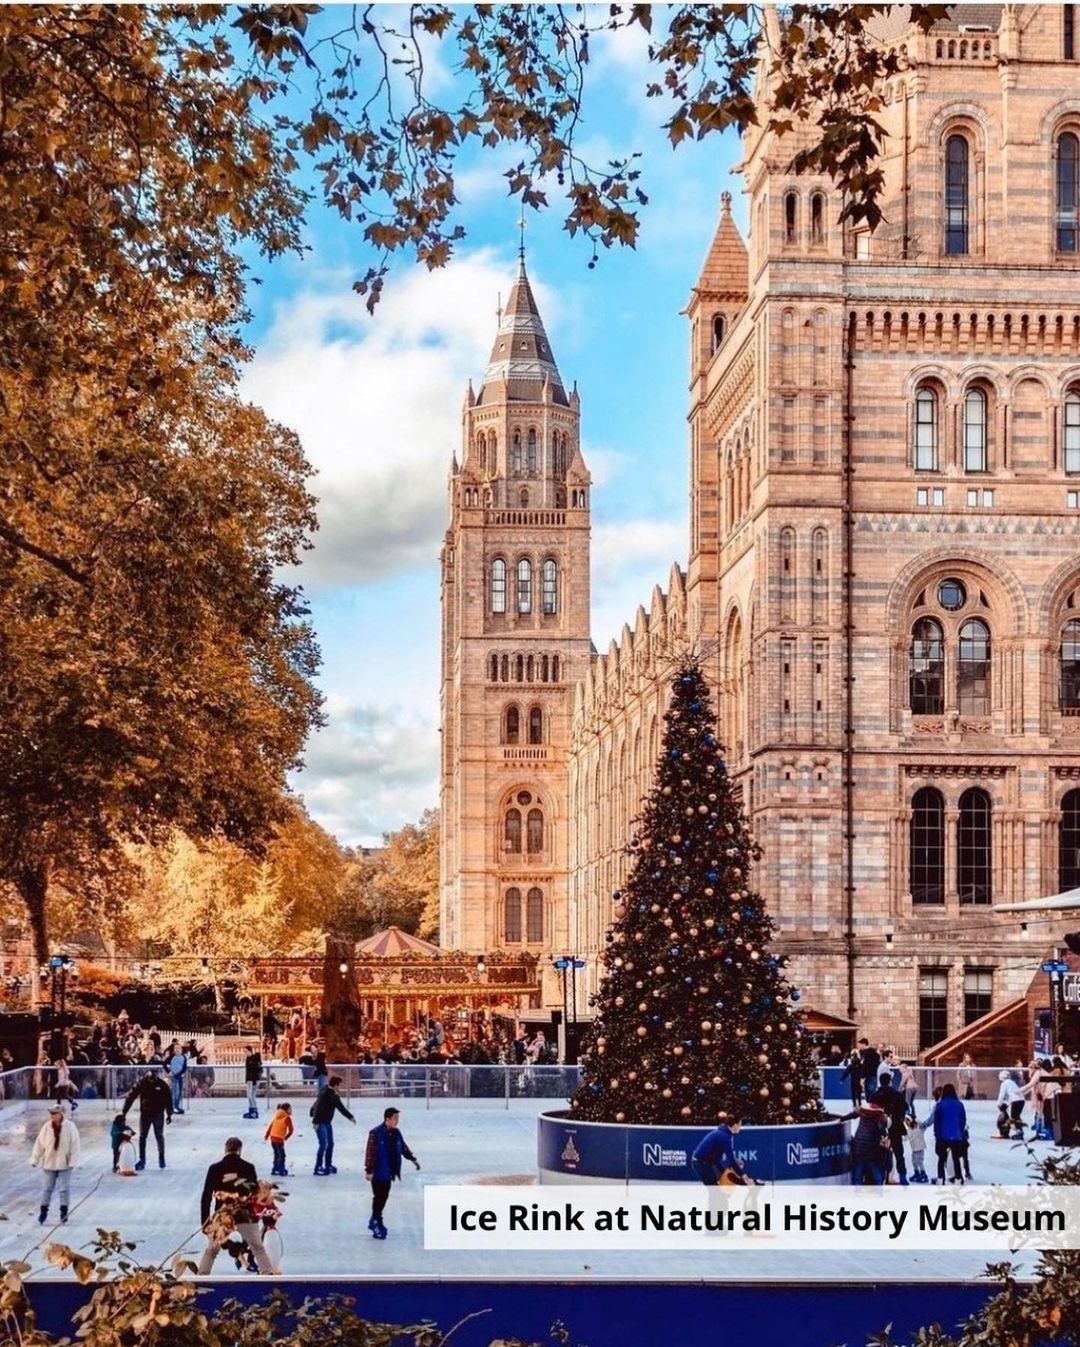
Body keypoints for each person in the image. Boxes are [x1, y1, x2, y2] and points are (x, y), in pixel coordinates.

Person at [196, 1137, 277, 1275]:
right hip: (245, 1215)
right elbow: (255, 1194)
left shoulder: (215, 1168)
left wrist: (205, 1222)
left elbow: (206, 1196)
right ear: (239, 1150)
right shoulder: (249, 1167)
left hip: (223, 1216)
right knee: (258, 1248)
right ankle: (267, 1275)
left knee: (211, 1251)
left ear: (225, 1149)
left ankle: (202, 1277)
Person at [364, 1106, 420, 1239]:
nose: (397, 1121)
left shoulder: (396, 1133)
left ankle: (375, 1220)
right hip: (378, 1172)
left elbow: (403, 1147)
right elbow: (370, 1152)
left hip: (389, 1172)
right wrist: (369, 1170)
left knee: (384, 1197)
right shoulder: (375, 1133)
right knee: (379, 1198)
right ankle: (377, 1222)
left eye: (398, 1118)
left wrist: (412, 1159)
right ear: (387, 1119)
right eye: (395, 1118)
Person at [31, 1103, 81, 1225]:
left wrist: (73, 1161)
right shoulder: (47, 1127)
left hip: (65, 1164)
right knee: (47, 1189)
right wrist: (35, 1159)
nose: (52, 1116)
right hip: (49, 1163)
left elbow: (75, 1145)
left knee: (64, 1189)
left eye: (54, 1113)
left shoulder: (70, 1127)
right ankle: (43, 1212)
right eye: (51, 1113)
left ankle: (63, 1212)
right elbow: (40, 1144)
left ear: (61, 1114)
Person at [122, 1069, 173, 1170]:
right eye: (150, 1077)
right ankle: (142, 1159)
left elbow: (168, 1099)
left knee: (159, 1135)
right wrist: (124, 1111)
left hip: (158, 1114)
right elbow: (131, 1096)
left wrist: (169, 1114)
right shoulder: (142, 1083)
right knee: (142, 1137)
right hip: (145, 1113)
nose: (152, 1079)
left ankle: (161, 1157)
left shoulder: (162, 1085)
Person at [310, 1073, 355, 1175]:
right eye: (340, 1086)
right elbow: (318, 1105)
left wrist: (350, 1117)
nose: (340, 1088)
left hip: (327, 1122)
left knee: (330, 1144)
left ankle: (328, 1164)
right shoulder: (325, 1094)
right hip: (320, 1122)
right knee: (323, 1144)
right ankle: (318, 1167)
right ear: (335, 1085)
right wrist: (315, 1120)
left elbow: (340, 1107)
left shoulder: (332, 1094)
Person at [922, 1082, 967, 1184]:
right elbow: (963, 1120)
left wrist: (937, 1134)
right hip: (956, 1135)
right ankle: (958, 1178)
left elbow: (937, 1121)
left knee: (941, 1159)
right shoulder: (959, 1105)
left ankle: (940, 1178)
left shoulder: (940, 1105)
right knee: (956, 1158)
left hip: (942, 1136)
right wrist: (959, 1132)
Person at [873, 1067, 910, 1185]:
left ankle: (881, 1176)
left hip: (880, 1129)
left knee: (880, 1153)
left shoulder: (875, 1095)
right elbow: (905, 1107)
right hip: (895, 1128)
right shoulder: (896, 1094)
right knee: (899, 1153)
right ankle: (903, 1177)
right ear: (890, 1081)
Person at [844, 1099, 890, 1186]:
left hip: (858, 1147)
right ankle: (879, 1189)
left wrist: (842, 1118)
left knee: (858, 1171)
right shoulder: (879, 1118)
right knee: (875, 1170)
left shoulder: (863, 1113)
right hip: (871, 1149)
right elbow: (882, 1132)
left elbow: (853, 1114)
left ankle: (856, 1191)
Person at [691, 1119, 749, 1185]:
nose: (740, 1127)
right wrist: (742, 1174)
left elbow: (714, 1156)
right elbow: (731, 1159)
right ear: (735, 1125)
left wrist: (722, 1171)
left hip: (702, 1163)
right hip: (701, 1163)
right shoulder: (725, 1137)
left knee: (714, 1188)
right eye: (740, 1125)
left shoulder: (723, 1133)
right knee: (713, 1188)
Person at [265, 1102, 293, 1177]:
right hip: (279, 1139)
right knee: (282, 1155)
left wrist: (267, 1135)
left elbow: (271, 1126)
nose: (291, 1111)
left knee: (276, 1154)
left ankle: (275, 1168)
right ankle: (281, 1169)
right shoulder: (287, 1118)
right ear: (287, 1110)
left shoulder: (276, 1116)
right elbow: (291, 1130)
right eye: (290, 1109)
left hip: (272, 1138)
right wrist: (286, 1137)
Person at [997, 1068, 1025, 1138]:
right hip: (1021, 1100)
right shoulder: (1012, 1082)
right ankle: (1020, 1130)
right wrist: (1007, 1104)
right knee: (1017, 1116)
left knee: (1013, 1118)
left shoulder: (1004, 1084)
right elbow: (1011, 1095)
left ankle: (1018, 1132)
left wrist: (999, 1104)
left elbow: (1002, 1095)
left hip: (1015, 1101)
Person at [905, 1115, 928, 1183]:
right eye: (906, 1122)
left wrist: (917, 1120)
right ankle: (917, 1173)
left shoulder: (919, 1128)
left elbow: (924, 1126)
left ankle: (923, 1174)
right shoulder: (909, 1130)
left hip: (920, 1148)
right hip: (914, 1149)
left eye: (908, 1121)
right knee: (914, 1161)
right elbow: (906, 1137)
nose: (907, 1123)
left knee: (919, 1161)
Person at [167, 1042, 188, 1116]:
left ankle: (176, 1106)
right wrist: (169, 1071)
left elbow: (184, 1067)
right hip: (174, 1077)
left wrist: (179, 1073)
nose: (177, 1050)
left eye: (179, 1048)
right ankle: (173, 1107)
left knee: (179, 1092)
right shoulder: (172, 1057)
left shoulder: (183, 1057)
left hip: (179, 1076)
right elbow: (164, 1063)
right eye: (176, 1048)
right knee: (175, 1092)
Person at [243, 1047, 263, 1120]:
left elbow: (255, 1071)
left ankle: (254, 1111)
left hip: (253, 1080)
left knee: (251, 1095)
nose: (245, 1053)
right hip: (250, 1080)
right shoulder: (248, 1059)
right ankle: (252, 1110)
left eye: (246, 1051)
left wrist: (254, 1081)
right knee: (250, 1095)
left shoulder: (253, 1059)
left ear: (249, 1051)